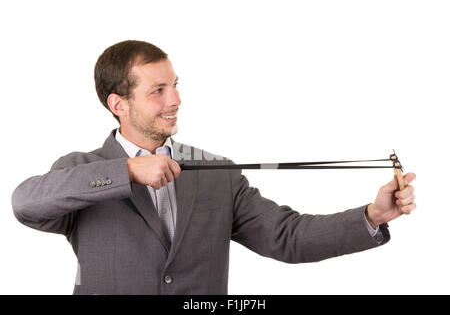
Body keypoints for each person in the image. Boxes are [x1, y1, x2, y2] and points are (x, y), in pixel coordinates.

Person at [11, 40, 417, 295]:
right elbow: (26, 203)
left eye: (175, 84)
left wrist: (372, 215)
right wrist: (128, 173)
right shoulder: (81, 172)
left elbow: (287, 237)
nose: (176, 100)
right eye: (158, 90)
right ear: (119, 104)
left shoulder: (218, 172)